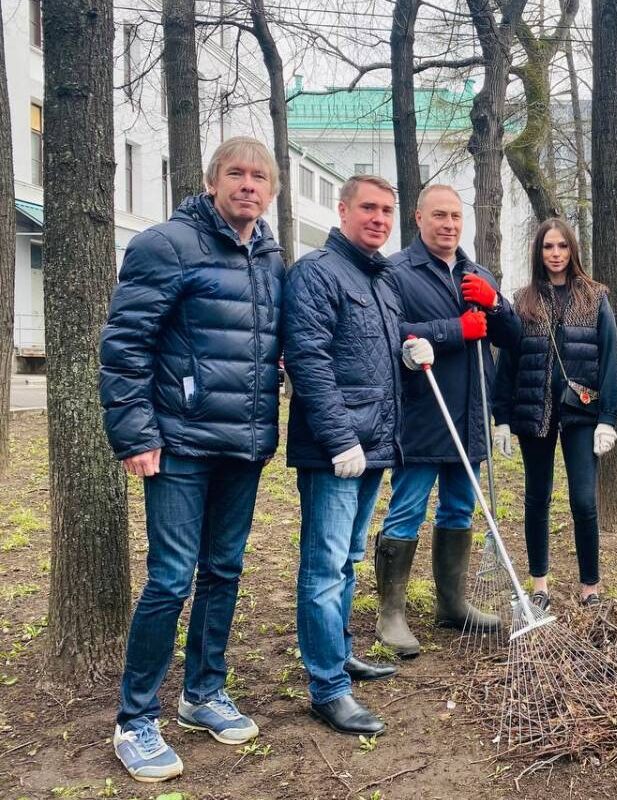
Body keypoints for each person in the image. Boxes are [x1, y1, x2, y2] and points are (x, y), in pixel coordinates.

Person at [99, 137, 284, 782]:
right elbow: (125, 346)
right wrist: (136, 434)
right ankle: (135, 718)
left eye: (260, 176)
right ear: (212, 182)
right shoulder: (167, 245)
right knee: (172, 577)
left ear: (272, 189)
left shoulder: (268, 254)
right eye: (236, 173)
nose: (248, 184)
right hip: (177, 443)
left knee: (224, 570)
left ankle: (202, 692)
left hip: (245, 443)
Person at [284, 175, 435, 735]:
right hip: (337, 451)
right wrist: (338, 439)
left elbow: (369, 356)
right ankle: (327, 686)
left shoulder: (381, 280)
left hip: (373, 447)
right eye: (368, 208)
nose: (378, 218)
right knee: (324, 567)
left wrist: (409, 349)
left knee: (347, 561)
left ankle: (339, 653)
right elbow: (310, 360)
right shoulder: (316, 274)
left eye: (387, 211)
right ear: (343, 210)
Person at [373, 185, 521, 655]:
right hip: (421, 411)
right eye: (439, 216)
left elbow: (513, 336)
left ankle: (451, 604)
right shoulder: (395, 272)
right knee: (408, 509)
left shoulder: (477, 274)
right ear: (418, 218)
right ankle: (390, 613)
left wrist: (495, 303)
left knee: (459, 509)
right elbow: (386, 334)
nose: (449, 225)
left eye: (456, 217)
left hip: (471, 411)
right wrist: (455, 330)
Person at [492, 219, 617, 609]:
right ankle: (540, 586)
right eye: (548, 247)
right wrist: (502, 418)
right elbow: (508, 361)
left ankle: (590, 588)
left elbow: (610, 358)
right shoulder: (524, 300)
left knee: (583, 500)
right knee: (537, 498)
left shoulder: (595, 297)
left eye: (562, 246)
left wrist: (608, 418)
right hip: (534, 412)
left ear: (572, 250)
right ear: (539, 252)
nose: (556, 254)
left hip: (581, 413)